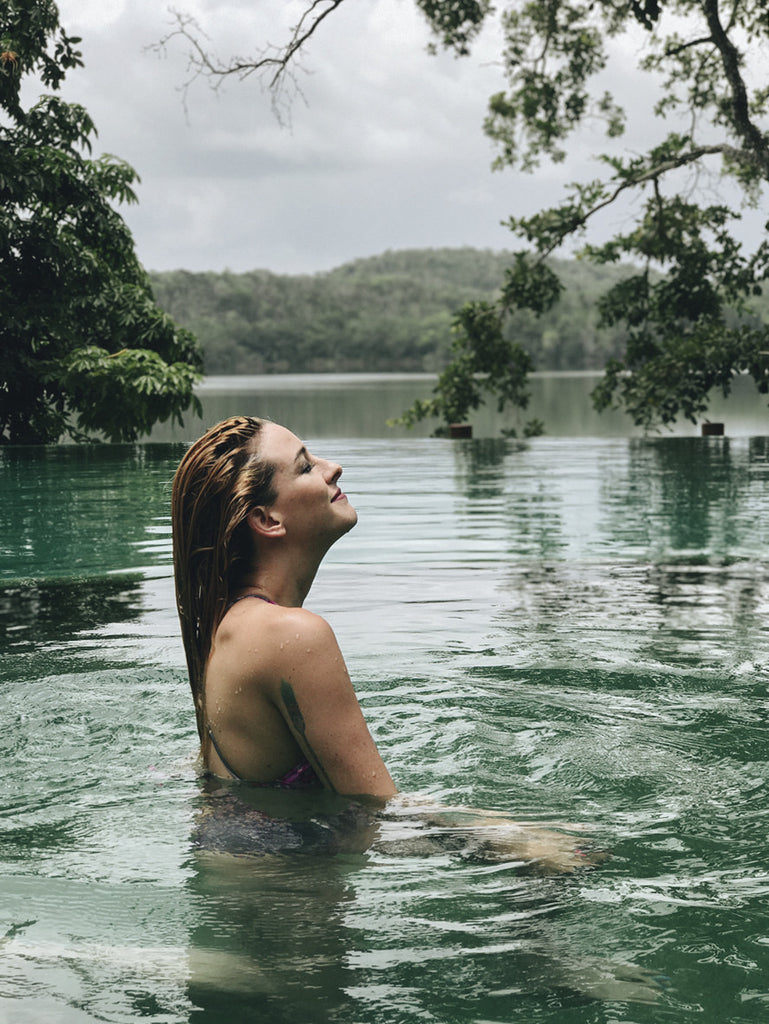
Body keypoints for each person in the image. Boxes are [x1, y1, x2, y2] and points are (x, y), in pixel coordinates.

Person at [172, 415, 602, 870]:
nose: (332, 467)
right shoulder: (289, 635)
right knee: (556, 872)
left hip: (251, 903)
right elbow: (377, 816)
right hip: (287, 916)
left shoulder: (228, 627)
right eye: (305, 467)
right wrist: (521, 842)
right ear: (266, 518)